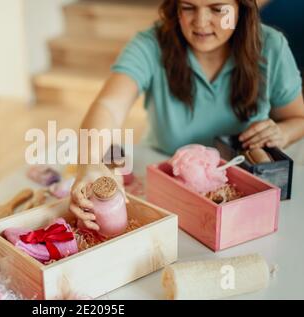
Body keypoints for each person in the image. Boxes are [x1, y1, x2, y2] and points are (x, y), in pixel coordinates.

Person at [69, 0, 304, 231]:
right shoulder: (150, 45)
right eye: (188, 7)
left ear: (241, 8)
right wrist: (90, 163)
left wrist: (282, 132)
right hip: (161, 178)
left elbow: (298, 118)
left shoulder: (272, 46)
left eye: (217, 8)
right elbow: (109, 106)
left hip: (241, 191)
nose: (200, 23)